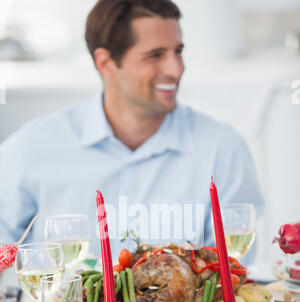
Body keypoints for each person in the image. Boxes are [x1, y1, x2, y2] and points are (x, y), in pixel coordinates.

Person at [0, 0, 263, 262]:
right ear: (105, 62)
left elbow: (236, 276)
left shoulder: (222, 148)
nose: (176, 69)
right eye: (155, 55)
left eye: (178, 51)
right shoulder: (31, 148)